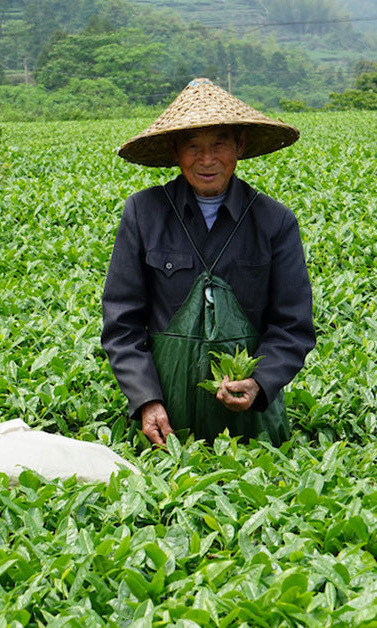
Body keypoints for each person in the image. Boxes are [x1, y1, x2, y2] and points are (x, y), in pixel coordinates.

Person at [102, 78, 315, 447]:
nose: (206, 159)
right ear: (174, 150)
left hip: (253, 419)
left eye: (219, 144)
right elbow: (122, 322)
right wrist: (146, 400)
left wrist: (259, 382)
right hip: (164, 418)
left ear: (240, 145)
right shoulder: (144, 213)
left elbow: (292, 325)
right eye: (193, 146)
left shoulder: (274, 221)